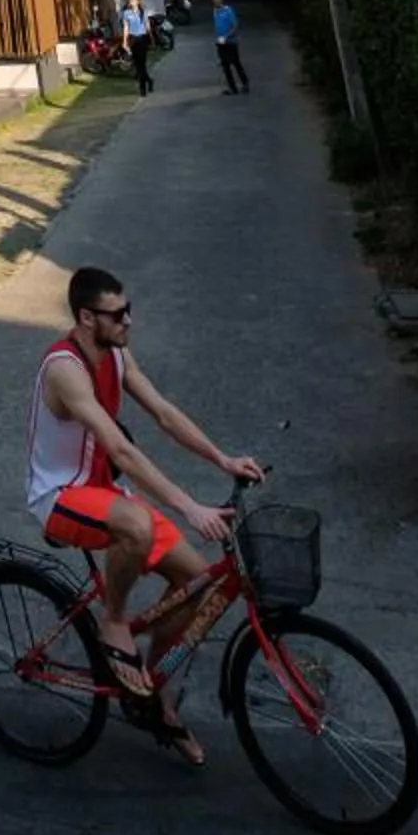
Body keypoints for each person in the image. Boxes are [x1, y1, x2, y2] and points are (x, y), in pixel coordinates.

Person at [26, 266, 264, 767]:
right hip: (61, 495)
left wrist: (222, 459)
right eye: (118, 314)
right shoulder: (66, 368)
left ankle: (151, 696)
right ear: (87, 317)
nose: (129, 320)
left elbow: (163, 412)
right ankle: (113, 623)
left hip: (104, 489)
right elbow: (120, 449)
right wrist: (189, 505)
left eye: (128, 310)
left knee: (197, 582)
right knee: (134, 525)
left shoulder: (116, 352)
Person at [211, 0, 249, 95]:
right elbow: (217, 26)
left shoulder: (228, 10)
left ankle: (245, 83)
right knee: (225, 66)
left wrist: (227, 36)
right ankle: (233, 88)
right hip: (221, 43)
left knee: (236, 63)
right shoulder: (215, 11)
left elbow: (235, 26)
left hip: (231, 42)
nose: (215, 1)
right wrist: (219, 39)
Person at [119, 0, 154, 96]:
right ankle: (149, 80)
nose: (131, 3)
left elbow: (147, 27)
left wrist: (151, 38)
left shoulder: (143, 12)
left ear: (138, 1)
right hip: (133, 39)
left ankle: (142, 88)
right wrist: (124, 42)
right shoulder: (126, 13)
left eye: (133, 0)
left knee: (142, 64)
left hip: (142, 39)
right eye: (130, 1)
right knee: (137, 65)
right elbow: (126, 28)